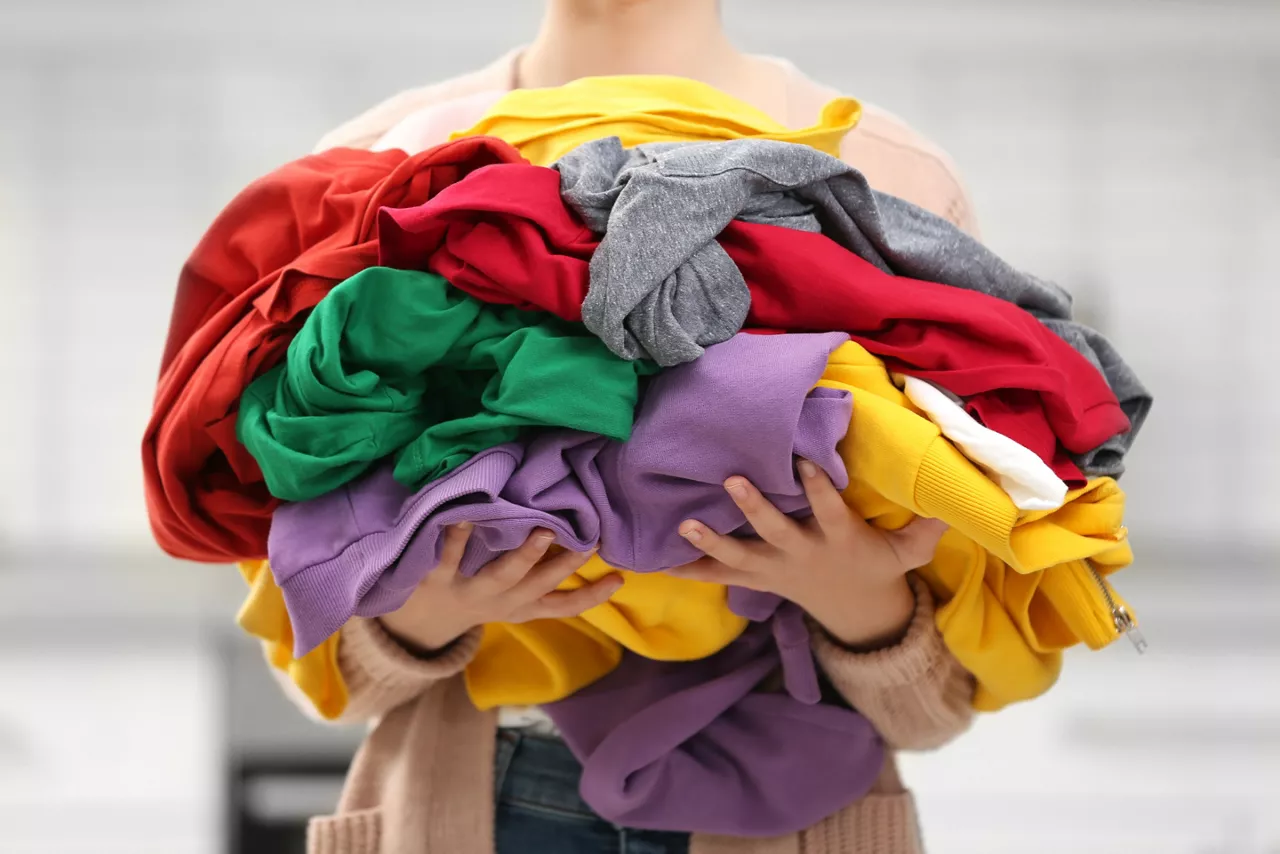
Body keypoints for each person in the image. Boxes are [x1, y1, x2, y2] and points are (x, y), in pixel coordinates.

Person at [283, 2, 982, 852]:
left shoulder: (887, 171)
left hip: (796, 815)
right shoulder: (375, 163)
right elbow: (312, 656)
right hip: (468, 800)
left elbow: (940, 705)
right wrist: (418, 609)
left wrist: (859, 597)